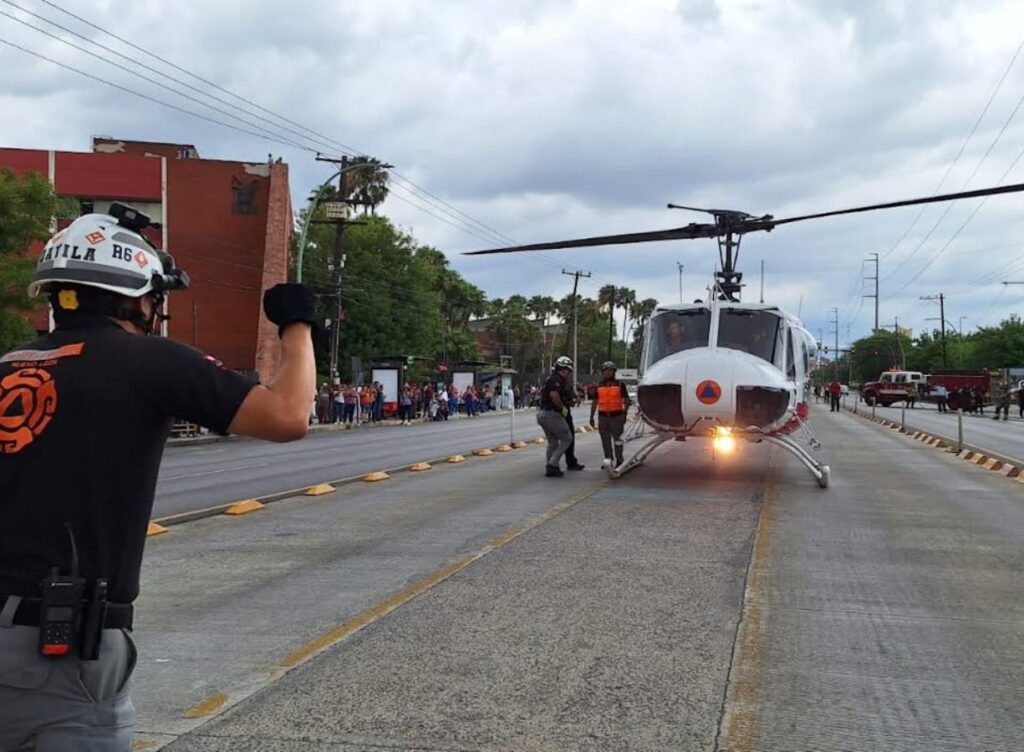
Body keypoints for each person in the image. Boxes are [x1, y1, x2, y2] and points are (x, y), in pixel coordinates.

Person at [0, 207, 316, 749]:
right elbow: (287, 416)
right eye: (153, 298)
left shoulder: (9, 365)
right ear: (133, 295)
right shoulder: (149, 361)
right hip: (60, 653)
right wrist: (298, 324)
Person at [536, 356, 576, 477]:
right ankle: (552, 464)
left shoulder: (551, 379)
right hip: (552, 414)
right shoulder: (557, 380)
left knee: (553, 442)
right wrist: (563, 408)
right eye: (568, 371)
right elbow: (554, 396)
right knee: (567, 438)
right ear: (564, 369)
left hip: (542, 414)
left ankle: (551, 467)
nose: (568, 373)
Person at [590, 361, 631, 469]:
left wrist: (624, 414)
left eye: (610, 370)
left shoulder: (620, 385)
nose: (608, 373)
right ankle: (608, 459)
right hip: (603, 417)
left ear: (614, 372)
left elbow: (627, 400)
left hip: (616, 417)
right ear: (602, 372)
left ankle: (619, 460)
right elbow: (595, 402)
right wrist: (591, 417)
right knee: (605, 440)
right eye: (605, 371)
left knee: (618, 440)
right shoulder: (599, 385)